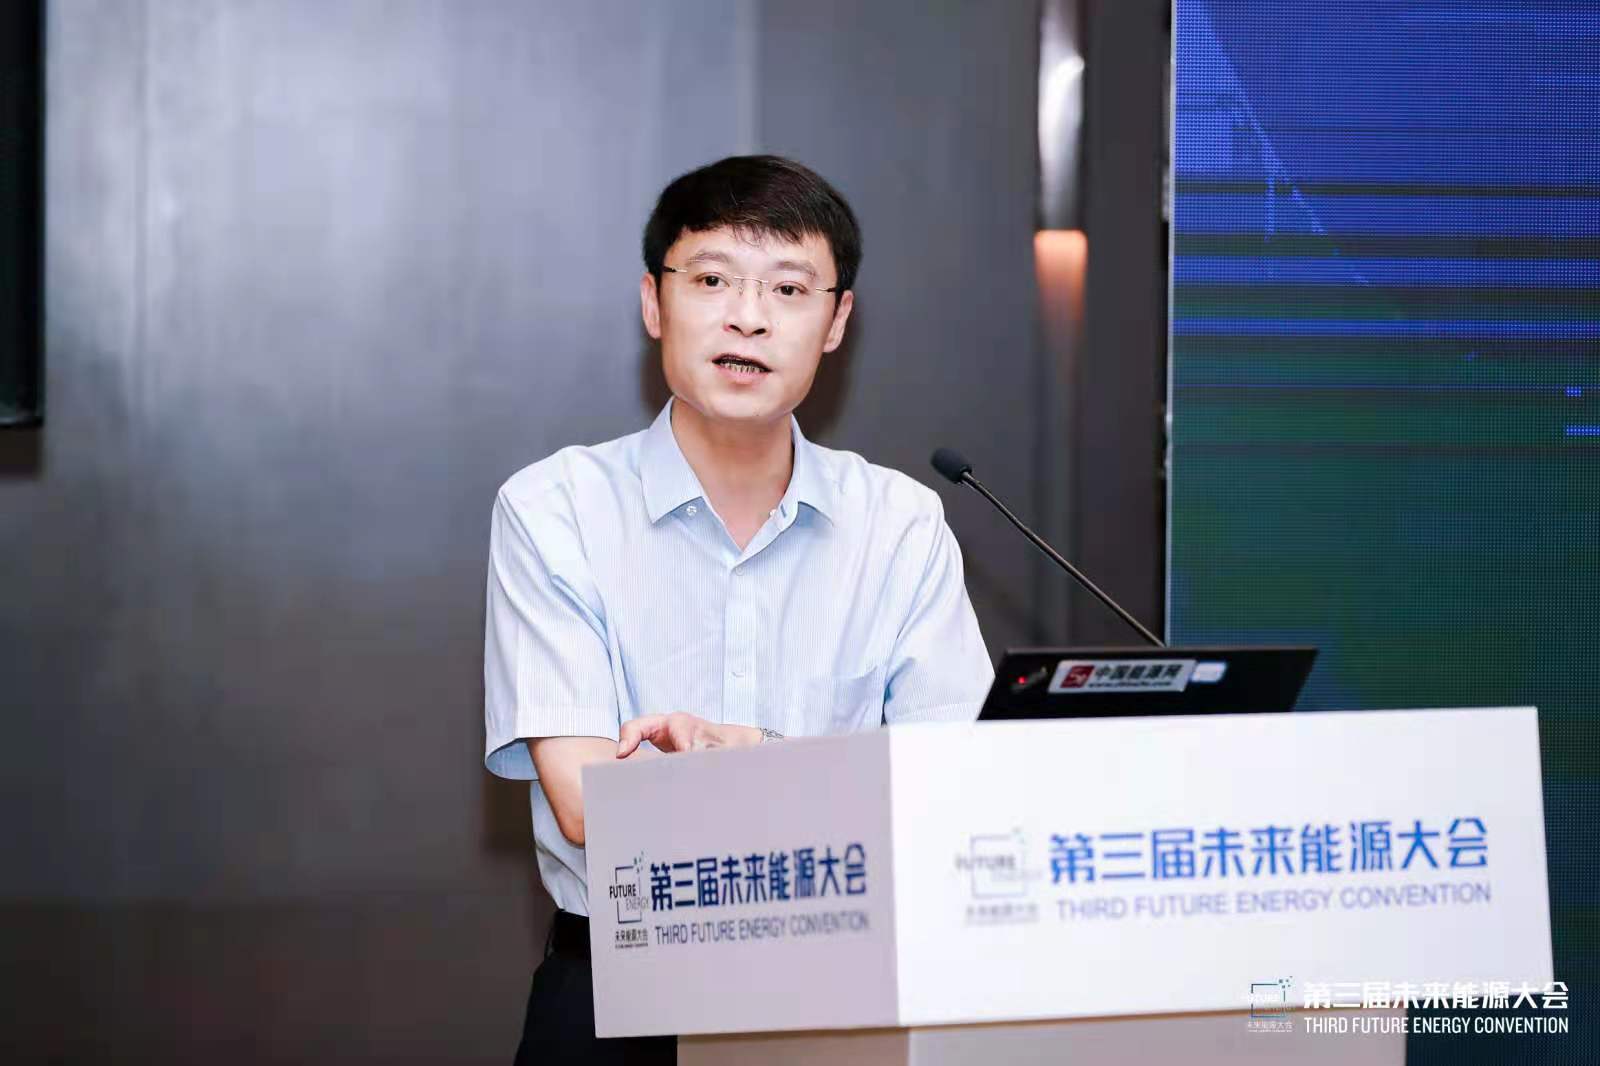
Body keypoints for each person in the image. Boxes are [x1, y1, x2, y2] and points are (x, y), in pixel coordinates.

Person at [483, 155, 992, 1065]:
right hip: (619, 993)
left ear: (837, 321)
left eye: (789, 289)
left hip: (848, 984)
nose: (748, 317)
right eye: (713, 279)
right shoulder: (554, 509)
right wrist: (826, 782)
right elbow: (591, 804)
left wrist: (753, 756)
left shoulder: (901, 523)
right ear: (654, 302)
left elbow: (954, 789)